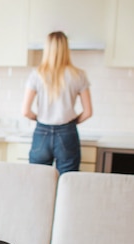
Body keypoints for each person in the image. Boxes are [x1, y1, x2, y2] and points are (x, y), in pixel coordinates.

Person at [21, 31, 93, 174]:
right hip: (67, 132)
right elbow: (88, 112)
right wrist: (71, 122)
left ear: (47, 49)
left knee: (38, 179)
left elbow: (25, 111)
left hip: (42, 132)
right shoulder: (78, 75)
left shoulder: (37, 74)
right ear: (66, 49)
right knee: (67, 180)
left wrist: (39, 118)